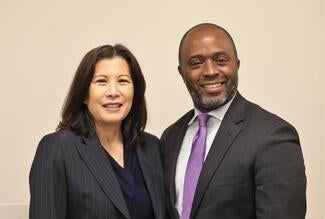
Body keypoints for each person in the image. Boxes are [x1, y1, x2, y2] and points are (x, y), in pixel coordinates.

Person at [160, 23, 306, 219]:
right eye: (196, 63)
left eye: (221, 60)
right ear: (181, 72)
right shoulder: (170, 137)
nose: (210, 71)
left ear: (237, 65)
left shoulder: (273, 136)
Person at [29, 44, 165, 219]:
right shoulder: (57, 148)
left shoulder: (151, 146)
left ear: (135, 91)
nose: (113, 92)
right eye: (101, 81)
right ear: (84, 94)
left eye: (123, 81)